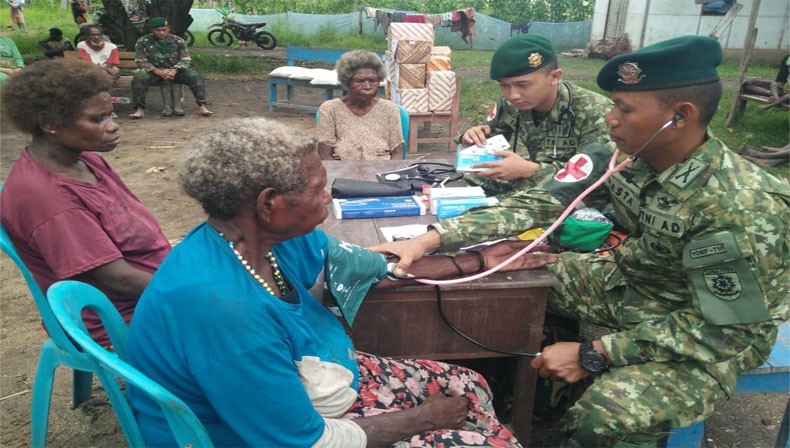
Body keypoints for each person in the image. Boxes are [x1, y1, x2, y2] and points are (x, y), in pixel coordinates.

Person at [371, 36, 789, 447]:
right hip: (643, 284)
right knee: (522, 274)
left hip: (707, 332)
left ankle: (577, 395)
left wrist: (595, 353)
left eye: (624, 109)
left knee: (604, 418)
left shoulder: (740, 205)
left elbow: (729, 329)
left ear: (679, 116)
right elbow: (544, 201)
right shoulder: (626, 155)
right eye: (612, 105)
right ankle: (531, 390)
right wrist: (432, 239)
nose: (609, 119)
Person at [125, 117, 557, 447]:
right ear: (270, 203)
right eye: (319, 188)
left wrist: (479, 260)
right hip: (259, 435)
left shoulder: (263, 238)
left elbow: (366, 265)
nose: (329, 197)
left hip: (315, 387)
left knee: (471, 384)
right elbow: (305, 441)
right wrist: (423, 420)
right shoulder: (224, 311)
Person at [0, 58, 171, 347]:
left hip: (150, 288)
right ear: (50, 123)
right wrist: (188, 293)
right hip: (119, 316)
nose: (113, 126)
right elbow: (115, 278)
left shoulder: (86, 161)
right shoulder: (46, 197)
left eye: (110, 115)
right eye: (97, 119)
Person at [459, 34, 613, 197]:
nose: (513, 95)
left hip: (578, 192)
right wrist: (472, 137)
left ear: (554, 77)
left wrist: (531, 170)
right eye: (504, 85)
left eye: (522, 85)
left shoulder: (596, 111)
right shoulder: (511, 104)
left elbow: (593, 175)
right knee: (472, 175)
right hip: (537, 181)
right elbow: (490, 140)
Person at [317, 49, 404, 160]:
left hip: (381, 170)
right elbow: (324, 155)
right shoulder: (330, 109)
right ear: (347, 82)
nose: (367, 87)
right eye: (360, 81)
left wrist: (389, 175)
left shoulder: (389, 109)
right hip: (342, 170)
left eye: (373, 80)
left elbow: (397, 153)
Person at [130, 16, 212, 118]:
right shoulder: (143, 41)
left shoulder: (178, 40)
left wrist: (175, 70)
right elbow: (140, 60)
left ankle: (202, 106)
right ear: (152, 30)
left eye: (164, 30)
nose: (161, 33)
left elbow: (185, 59)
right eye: (158, 30)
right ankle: (139, 109)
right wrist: (157, 71)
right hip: (154, 73)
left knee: (194, 76)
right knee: (140, 76)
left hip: (175, 72)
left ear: (168, 28)